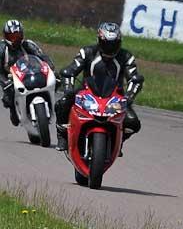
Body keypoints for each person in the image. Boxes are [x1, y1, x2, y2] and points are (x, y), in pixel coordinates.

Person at [55, 22, 144, 152]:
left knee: (133, 123)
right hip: (87, 91)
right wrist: (68, 89)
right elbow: (70, 70)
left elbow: (134, 78)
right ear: (99, 41)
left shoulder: (126, 57)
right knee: (62, 104)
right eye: (107, 44)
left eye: (114, 44)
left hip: (115, 97)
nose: (110, 48)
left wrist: (129, 96)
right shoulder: (87, 52)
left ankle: (119, 141)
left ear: (119, 43)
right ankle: (62, 135)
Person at [1, 19, 55, 126]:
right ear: (6, 36)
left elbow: (42, 56)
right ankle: (13, 110)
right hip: (10, 77)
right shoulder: (2, 48)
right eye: (12, 37)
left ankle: (51, 105)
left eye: (18, 36)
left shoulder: (28, 44)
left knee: (55, 81)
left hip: (29, 72)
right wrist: (4, 81)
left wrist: (51, 67)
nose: (15, 39)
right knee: (9, 96)